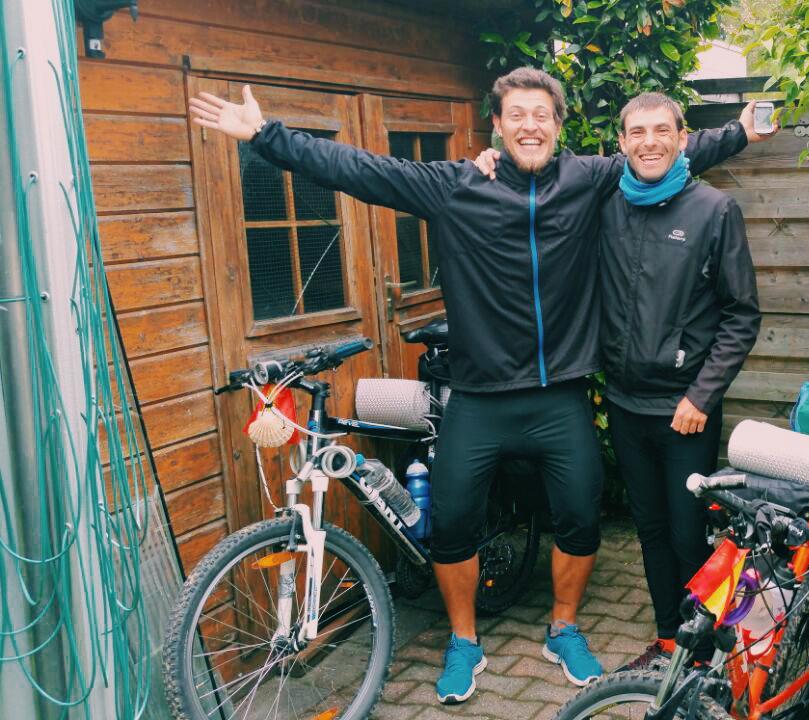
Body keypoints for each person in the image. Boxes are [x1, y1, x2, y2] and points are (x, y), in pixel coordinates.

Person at [188, 67, 773, 704]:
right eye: (516, 115)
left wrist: (739, 132)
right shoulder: (458, 184)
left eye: (541, 115)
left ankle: (565, 628)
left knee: (581, 519)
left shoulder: (586, 179)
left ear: (558, 124)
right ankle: (464, 642)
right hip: (478, 396)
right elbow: (360, 170)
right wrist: (267, 136)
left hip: (560, 395)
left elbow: (661, 152)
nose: (530, 126)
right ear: (495, 125)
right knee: (453, 526)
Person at [476, 91, 761, 669]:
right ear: (622, 143)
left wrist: (702, 395)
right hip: (626, 404)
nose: (649, 142)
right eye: (637, 132)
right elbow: (542, 176)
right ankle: (668, 641)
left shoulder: (714, 210)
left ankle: (702, 656)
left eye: (662, 131)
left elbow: (741, 315)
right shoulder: (606, 203)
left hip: (685, 409)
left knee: (688, 535)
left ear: (683, 140)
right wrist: (493, 161)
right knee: (650, 530)